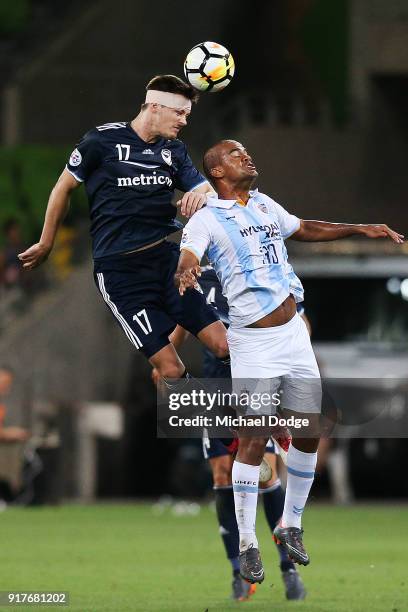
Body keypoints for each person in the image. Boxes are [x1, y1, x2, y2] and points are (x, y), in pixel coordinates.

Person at [175, 139, 404, 583]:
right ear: (217, 172)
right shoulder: (207, 218)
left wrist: (360, 227)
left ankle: (291, 526)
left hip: (294, 331)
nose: (248, 157)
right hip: (254, 342)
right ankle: (247, 543)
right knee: (254, 439)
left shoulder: (262, 204)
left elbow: (303, 228)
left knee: (310, 430)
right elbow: (189, 253)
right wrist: (186, 267)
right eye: (236, 155)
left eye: (247, 152)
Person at [18, 75, 228, 388]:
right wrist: (47, 242)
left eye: (187, 115)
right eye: (179, 113)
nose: (184, 121)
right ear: (155, 107)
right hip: (121, 275)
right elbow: (63, 187)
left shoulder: (174, 151)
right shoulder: (100, 142)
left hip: (166, 262)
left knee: (225, 345)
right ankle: (216, 428)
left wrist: (203, 195)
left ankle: (262, 422)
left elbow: (210, 194)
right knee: (170, 370)